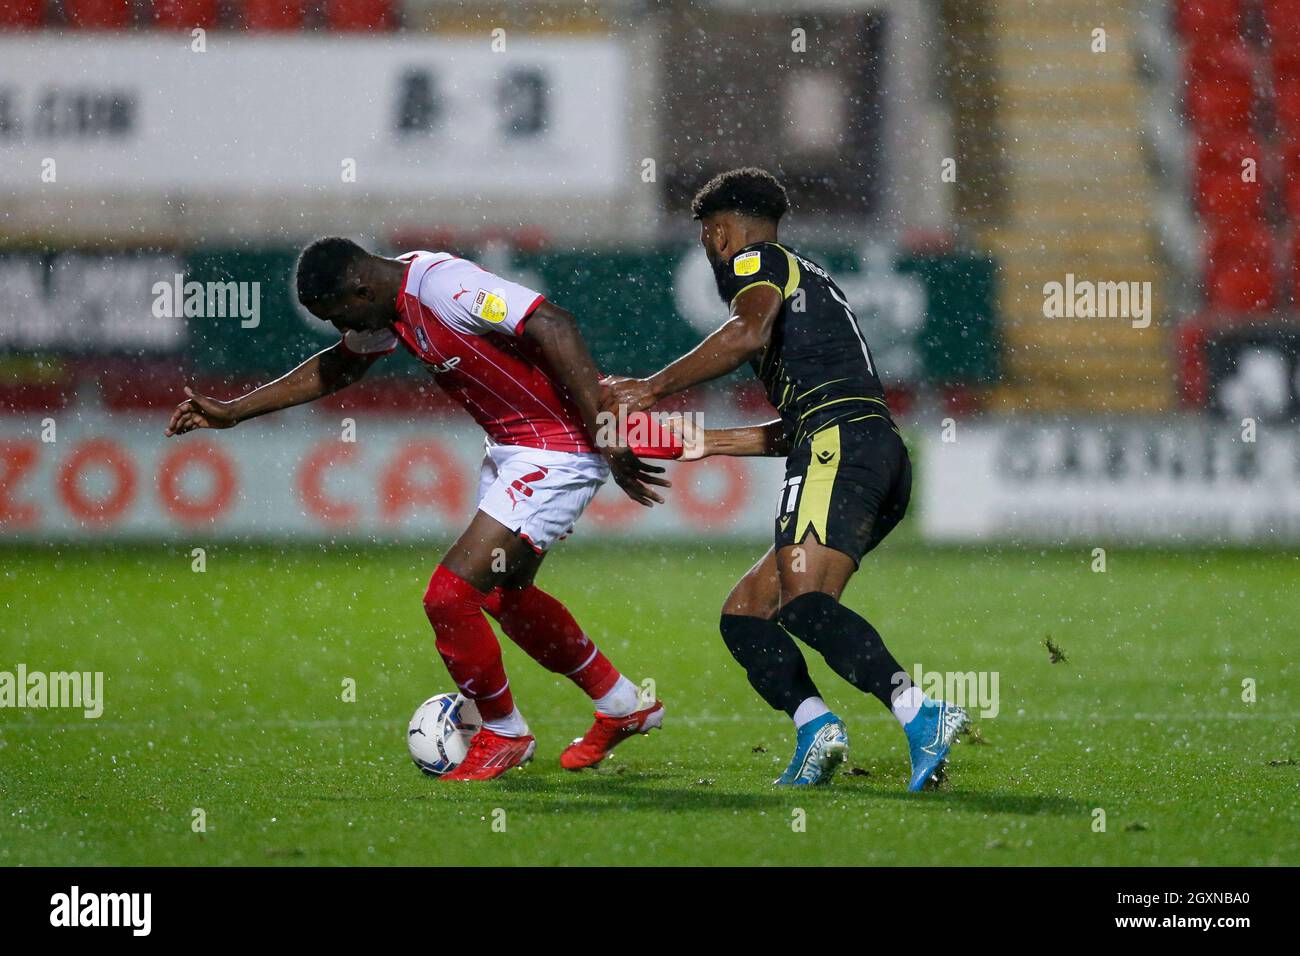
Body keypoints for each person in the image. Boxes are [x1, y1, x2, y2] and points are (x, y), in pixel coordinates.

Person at [166, 238, 667, 780]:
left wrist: (604, 430)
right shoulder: (386, 302)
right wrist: (235, 412)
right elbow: (340, 367)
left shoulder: (442, 287)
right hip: (512, 449)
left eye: (339, 314)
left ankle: (503, 732)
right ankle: (622, 705)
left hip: (557, 450)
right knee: (503, 595)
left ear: (361, 289)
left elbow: (553, 323)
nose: (341, 328)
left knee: (449, 599)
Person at [603, 169, 967, 790]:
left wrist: (651, 387)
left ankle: (920, 712)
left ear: (720, 234)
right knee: (747, 613)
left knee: (805, 607)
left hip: (841, 449)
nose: (712, 251)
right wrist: (714, 443)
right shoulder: (811, 280)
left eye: (706, 238)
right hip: (867, 451)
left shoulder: (757, 261)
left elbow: (745, 335)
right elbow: (815, 413)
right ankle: (815, 727)